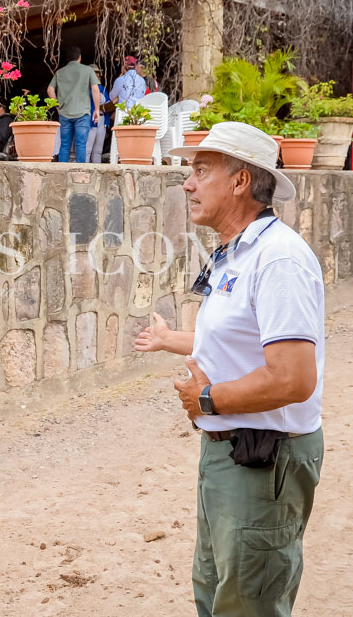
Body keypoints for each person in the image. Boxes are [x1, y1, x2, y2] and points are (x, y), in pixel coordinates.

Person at [135, 122, 324, 617]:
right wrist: (174, 346)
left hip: (263, 456)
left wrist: (207, 400)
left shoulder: (278, 259)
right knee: (217, 589)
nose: (187, 184)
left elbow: (293, 379)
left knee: (247, 604)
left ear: (241, 181)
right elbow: (233, 343)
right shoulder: (237, 253)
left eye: (201, 171)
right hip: (232, 452)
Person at [46, 45, 100, 163]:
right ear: (79, 57)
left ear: (67, 58)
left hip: (64, 113)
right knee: (81, 145)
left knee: (65, 145)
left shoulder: (60, 72)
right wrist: (96, 109)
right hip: (82, 113)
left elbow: (50, 89)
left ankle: (63, 170)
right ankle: (80, 171)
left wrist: (57, 106)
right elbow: (95, 90)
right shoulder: (88, 70)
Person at [86, 65, 111, 163]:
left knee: (98, 150)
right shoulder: (85, 88)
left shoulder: (102, 88)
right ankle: (84, 168)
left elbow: (107, 104)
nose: (96, 74)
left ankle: (97, 169)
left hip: (102, 118)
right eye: (94, 72)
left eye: (97, 72)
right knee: (87, 149)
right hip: (90, 119)